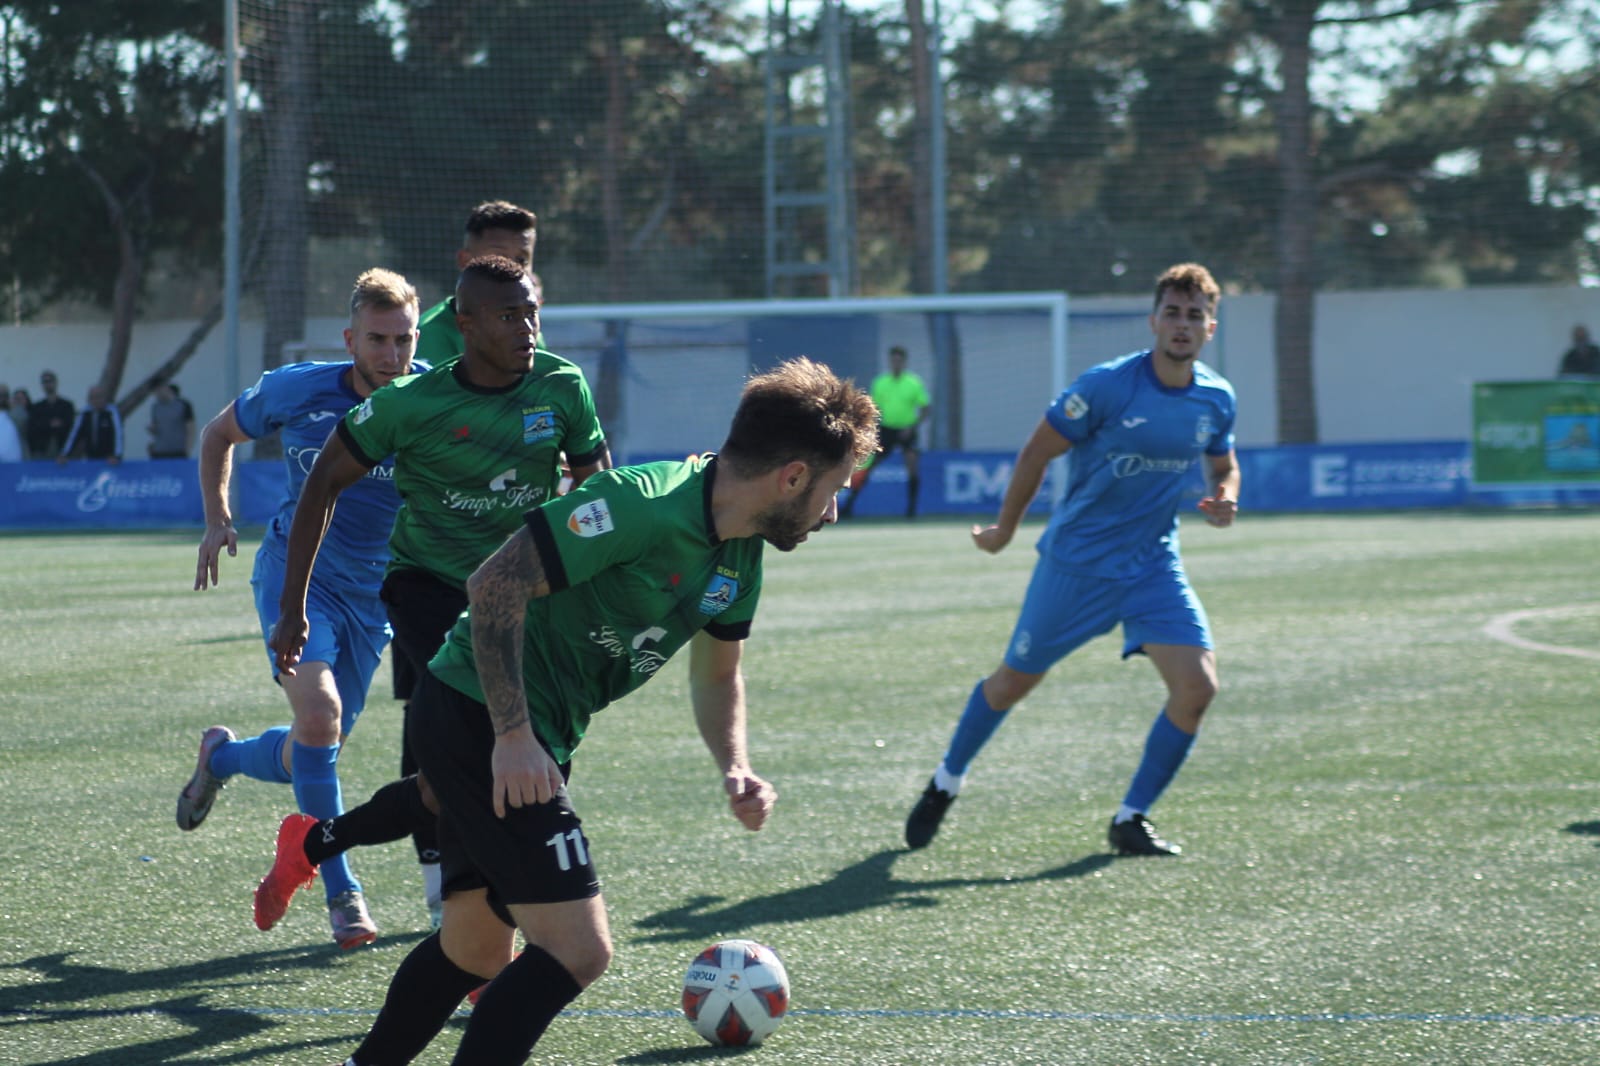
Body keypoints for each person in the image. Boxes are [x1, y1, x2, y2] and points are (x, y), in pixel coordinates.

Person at [302, 357, 878, 1066]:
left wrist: (736, 767)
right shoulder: (638, 502)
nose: (832, 511)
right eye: (830, 491)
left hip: (524, 732)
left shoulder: (742, 559)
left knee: (473, 949)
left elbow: (719, 675)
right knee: (578, 951)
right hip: (477, 714)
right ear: (791, 476)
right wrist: (512, 734)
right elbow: (494, 585)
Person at [259, 255, 610, 932]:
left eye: (532, 312)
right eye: (510, 316)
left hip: (516, 595)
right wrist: (292, 608)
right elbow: (321, 485)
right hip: (427, 592)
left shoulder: (562, 388)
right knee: (493, 750)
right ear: (467, 324)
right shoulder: (410, 406)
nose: (528, 327)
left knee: (459, 776)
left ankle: (313, 844)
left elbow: (597, 487)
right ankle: (477, 922)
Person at [903, 262, 1240, 858]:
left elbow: (1223, 464)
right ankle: (945, 780)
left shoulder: (1216, 398)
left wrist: (1227, 496)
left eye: (1195, 315)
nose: (1182, 325)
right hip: (1076, 566)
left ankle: (1130, 818)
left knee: (1198, 687)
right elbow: (1036, 453)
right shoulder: (1107, 386)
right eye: (1172, 312)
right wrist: (1006, 530)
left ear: (1210, 328)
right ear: (1153, 320)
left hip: (1152, 567)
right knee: (1011, 684)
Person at [179, 268, 423, 949]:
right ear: (350, 338)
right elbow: (217, 435)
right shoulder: (299, 389)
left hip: (377, 596)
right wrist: (217, 517)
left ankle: (221, 760)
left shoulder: (433, 395)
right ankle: (344, 894)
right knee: (320, 720)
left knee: (314, 748)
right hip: (298, 577)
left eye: (403, 339)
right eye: (376, 339)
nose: (390, 355)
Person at [416, 200, 538, 366]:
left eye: (522, 259)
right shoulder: (430, 334)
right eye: (498, 258)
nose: (509, 267)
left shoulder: (528, 329)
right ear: (464, 261)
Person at [841, 345, 930, 519]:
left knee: (912, 466)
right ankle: (849, 505)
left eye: (899, 360)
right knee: (868, 465)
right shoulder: (880, 382)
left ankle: (911, 510)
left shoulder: (913, 383)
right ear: (890, 361)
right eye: (893, 360)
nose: (896, 363)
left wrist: (912, 426)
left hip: (907, 429)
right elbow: (873, 408)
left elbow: (925, 408)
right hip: (887, 429)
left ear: (904, 362)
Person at [57, 385, 124, 463]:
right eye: (93, 397)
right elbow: (74, 434)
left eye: (99, 397)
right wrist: (64, 454)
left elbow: (118, 435)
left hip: (109, 460)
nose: (96, 400)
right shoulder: (84, 413)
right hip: (90, 459)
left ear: (105, 398)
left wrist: (116, 455)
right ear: (89, 399)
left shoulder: (112, 412)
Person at [28, 370, 76, 459]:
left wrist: (48, 424)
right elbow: (34, 427)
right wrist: (50, 424)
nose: (47, 384)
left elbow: (70, 425)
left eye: (50, 381)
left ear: (56, 383)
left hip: (64, 451)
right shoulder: (37, 407)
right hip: (42, 450)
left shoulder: (67, 405)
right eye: (45, 382)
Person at [146, 381, 196, 458]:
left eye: (158, 390)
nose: (157, 394)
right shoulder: (156, 407)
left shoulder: (183, 405)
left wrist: (188, 450)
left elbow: (191, 429)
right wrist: (152, 429)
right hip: (159, 452)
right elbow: (156, 427)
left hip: (178, 452)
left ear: (165, 388)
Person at [9, 388, 31, 458]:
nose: (19, 401)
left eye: (21, 398)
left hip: (25, 450)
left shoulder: (33, 415)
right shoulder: (8, 415)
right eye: (16, 398)